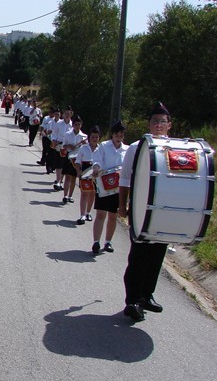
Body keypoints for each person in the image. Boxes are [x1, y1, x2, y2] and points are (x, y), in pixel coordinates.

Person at [119, 103, 173, 322]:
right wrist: (122, 206)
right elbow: (124, 180)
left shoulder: (174, 148)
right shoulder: (136, 147)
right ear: (148, 124)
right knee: (139, 255)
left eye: (162, 121)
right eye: (155, 121)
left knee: (157, 255)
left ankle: (146, 294)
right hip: (141, 210)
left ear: (169, 125)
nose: (158, 125)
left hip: (162, 212)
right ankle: (132, 300)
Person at [90, 121, 128, 254]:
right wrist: (96, 168)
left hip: (118, 188)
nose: (119, 137)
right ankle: (96, 242)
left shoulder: (127, 150)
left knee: (113, 216)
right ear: (112, 134)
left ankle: (108, 242)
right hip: (104, 185)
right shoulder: (104, 146)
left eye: (121, 135)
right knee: (100, 214)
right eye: (117, 134)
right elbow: (97, 160)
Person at [74, 125, 100, 225]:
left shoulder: (101, 149)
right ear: (89, 137)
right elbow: (77, 162)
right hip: (85, 171)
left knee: (93, 193)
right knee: (84, 193)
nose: (94, 139)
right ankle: (82, 215)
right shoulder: (83, 148)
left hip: (96, 172)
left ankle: (88, 212)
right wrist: (79, 172)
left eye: (96, 137)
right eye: (93, 136)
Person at [61, 115, 87, 204]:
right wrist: (69, 146)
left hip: (78, 158)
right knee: (67, 176)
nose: (77, 126)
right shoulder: (68, 134)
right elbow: (63, 145)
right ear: (73, 125)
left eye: (79, 124)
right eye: (76, 124)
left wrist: (84, 143)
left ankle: (70, 196)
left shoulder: (84, 136)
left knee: (73, 178)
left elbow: (87, 148)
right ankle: (65, 195)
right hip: (69, 157)